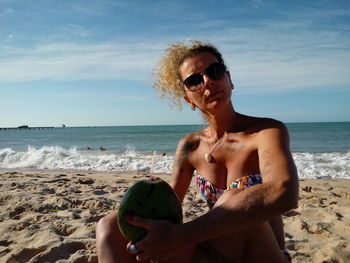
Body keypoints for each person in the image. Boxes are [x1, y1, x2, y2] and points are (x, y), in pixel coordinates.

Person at [96, 40, 298, 263]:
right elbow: (168, 207)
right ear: (187, 99)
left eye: (215, 71)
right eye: (194, 80)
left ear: (229, 79)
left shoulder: (266, 132)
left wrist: (180, 236)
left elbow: (284, 192)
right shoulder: (190, 146)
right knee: (109, 225)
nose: (208, 81)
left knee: (234, 197)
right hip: (214, 251)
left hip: (262, 253)